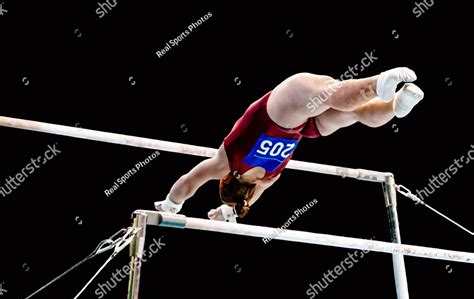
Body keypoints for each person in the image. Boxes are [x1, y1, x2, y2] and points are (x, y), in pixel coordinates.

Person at [155, 68, 424, 222]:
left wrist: (229, 212)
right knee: (331, 94)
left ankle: (395, 105)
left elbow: (249, 197)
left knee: (354, 113)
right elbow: (189, 181)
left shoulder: (267, 180)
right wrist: (170, 204)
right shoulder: (227, 162)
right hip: (281, 112)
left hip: (304, 128)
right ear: (226, 178)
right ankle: (379, 84)